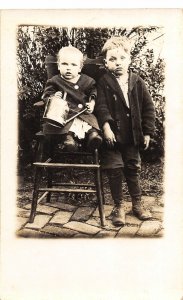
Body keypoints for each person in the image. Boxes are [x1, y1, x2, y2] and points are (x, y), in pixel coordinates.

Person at [95, 36, 155, 226]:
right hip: (113, 137)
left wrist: (147, 132)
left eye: (121, 58)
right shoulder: (104, 82)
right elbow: (101, 107)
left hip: (132, 136)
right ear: (106, 62)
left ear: (129, 60)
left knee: (132, 168)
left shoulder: (137, 82)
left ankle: (137, 204)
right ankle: (118, 206)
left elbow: (148, 108)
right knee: (114, 169)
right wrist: (105, 127)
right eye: (112, 59)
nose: (117, 63)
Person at [42, 46, 102, 152]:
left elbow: (93, 92)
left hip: (83, 112)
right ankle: (68, 140)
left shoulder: (87, 81)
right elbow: (47, 94)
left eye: (73, 64)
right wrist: (53, 98)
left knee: (90, 124)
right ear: (59, 66)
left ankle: (93, 137)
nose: (68, 68)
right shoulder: (55, 81)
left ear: (79, 68)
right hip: (64, 113)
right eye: (64, 64)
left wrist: (92, 103)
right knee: (66, 128)